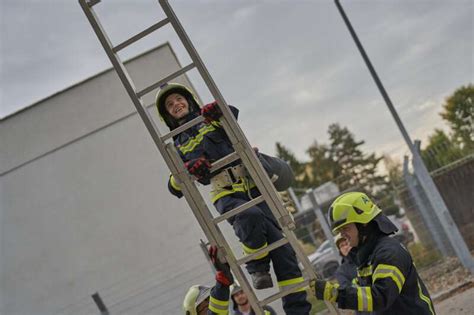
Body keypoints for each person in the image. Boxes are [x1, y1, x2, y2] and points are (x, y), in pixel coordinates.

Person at [156, 83, 311, 314]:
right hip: (226, 194)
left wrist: (218, 110)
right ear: (167, 114)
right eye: (169, 105)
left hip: (255, 189)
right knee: (249, 215)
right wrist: (188, 170)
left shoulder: (209, 119)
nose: (176, 105)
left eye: (178, 99)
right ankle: (257, 268)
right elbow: (173, 186)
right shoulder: (176, 145)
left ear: (188, 100)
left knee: (286, 256)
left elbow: (232, 116)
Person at [310, 192, 435, 314]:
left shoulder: (389, 253)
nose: (342, 235)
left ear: (363, 224)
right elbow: (365, 300)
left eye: (345, 228)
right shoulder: (366, 255)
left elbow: (379, 298)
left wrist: (334, 293)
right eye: (339, 230)